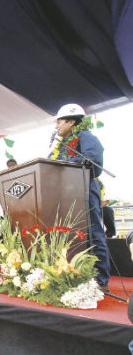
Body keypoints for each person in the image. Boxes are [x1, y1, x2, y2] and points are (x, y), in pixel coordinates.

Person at [49, 103, 109, 289]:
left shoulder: (86, 136)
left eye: (59, 122)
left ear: (72, 121)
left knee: (92, 233)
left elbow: (94, 162)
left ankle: (100, 279)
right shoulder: (61, 144)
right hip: (64, 193)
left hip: (84, 189)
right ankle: (74, 273)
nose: (56, 126)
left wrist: (64, 161)